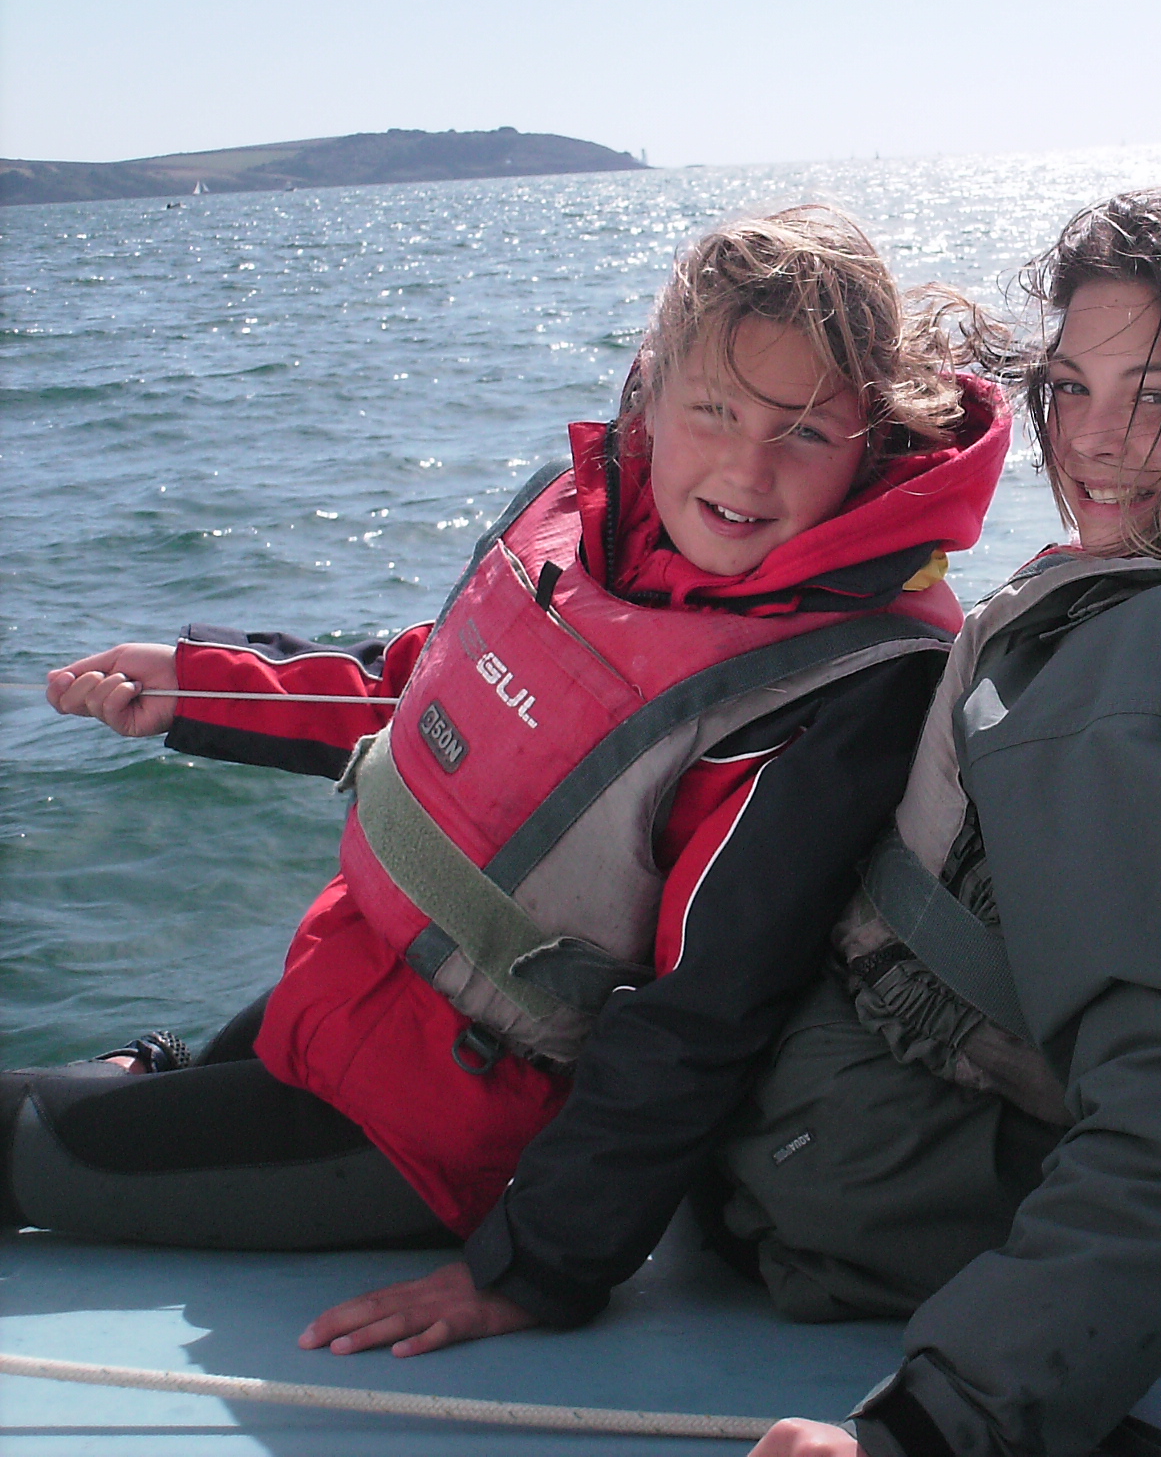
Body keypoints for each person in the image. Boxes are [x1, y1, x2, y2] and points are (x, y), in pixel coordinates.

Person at [306, 187, 1161, 1457]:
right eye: (1069, 386)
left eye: (1156, 394)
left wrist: (930, 1430)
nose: (1093, 440)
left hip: (848, 1201)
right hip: (893, 1156)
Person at [10, 207, 1010, 1267]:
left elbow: (709, 1011)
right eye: (714, 410)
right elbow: (418, 692)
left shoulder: (840, 686)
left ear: (871, 443)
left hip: (437, 1133)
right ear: (649, 394)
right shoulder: (584, 529)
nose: (746, 470)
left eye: (802, 431)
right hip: (341, 987)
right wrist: (200, 688)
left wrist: (536, 1268)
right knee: (141, 1091)